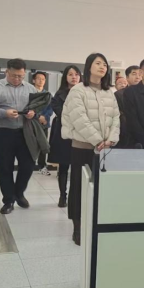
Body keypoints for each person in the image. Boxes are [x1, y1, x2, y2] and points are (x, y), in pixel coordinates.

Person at [62, 53, 120, 245]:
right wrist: (97, 140)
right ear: (88, 67)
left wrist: (111, 139)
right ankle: (77, 227)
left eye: (105, 64)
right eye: (98, 63)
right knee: (79, 188)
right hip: (82, 147)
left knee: (101, 189)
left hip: (104, 150)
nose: (102, 67)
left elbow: (116, 118)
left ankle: (96, 224)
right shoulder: (78, 90)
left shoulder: (109, 92)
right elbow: (79, 119)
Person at [0, 59, 38, 214]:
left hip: (25, 133)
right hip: (3, 132)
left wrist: (33, 113)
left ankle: (19, 193)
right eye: (14, 75)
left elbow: (37, 107)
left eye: (20, 76)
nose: (17, 79)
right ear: (7, 72)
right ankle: (8, 200)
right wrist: (4, 113)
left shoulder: (31, 88)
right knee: (5, 167)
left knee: (28, 165)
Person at [48, 65, 81, 207]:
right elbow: (62, 113)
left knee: (79, 167)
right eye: (70, 74)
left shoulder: (86, 92)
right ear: (65, 77)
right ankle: (63, 196)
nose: (74, 77)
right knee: (63, 166)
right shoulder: (59, 94)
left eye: (76, 74)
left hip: (81, 133)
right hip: (64, 133)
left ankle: (77, 196)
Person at [114, 65, 142, 149]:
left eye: (140, 74)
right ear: (127, 77)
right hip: (126, 136)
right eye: (134, 74)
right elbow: (119, 116)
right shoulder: (119, 94)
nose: (137, 77)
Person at [32, 71, 54, 176]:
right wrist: (38, 116)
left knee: (43, 145)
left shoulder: (48, 95)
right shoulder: (30, 93)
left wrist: (45, 117)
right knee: (29, 145)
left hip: (44, 124)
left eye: (43, 79)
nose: (41, 81)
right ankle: (28, 166)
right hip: (31, 123)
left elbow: (51, 108)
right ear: (33, 80)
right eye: (38, 78)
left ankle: (42, 166)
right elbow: (28, 107)